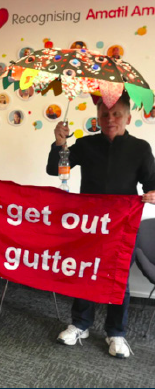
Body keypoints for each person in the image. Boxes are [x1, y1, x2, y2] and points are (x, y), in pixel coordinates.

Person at [46, 93, 155, 358]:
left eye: (116, 114)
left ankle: (116, 332)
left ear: (128, 117)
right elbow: (55, 169)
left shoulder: (140, 148)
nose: (110, 119)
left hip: (122, 226)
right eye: (105, 114)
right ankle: (80, 324)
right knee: (84, 273)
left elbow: (152, 181)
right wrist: (60, 143)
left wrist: (152, 193)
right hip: (89, 224)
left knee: (119, 280)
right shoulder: (85, 144)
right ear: (97, 117)